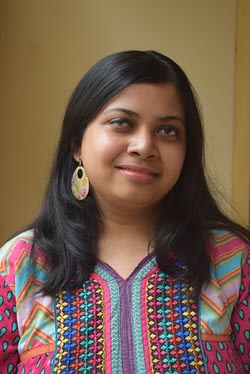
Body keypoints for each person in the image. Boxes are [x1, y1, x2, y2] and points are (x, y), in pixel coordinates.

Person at [0, 50, 249, 374]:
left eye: (168, 130)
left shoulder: (232, 262)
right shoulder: (20, 267)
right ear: (77, 143)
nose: (144, 145)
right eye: (122, 123)